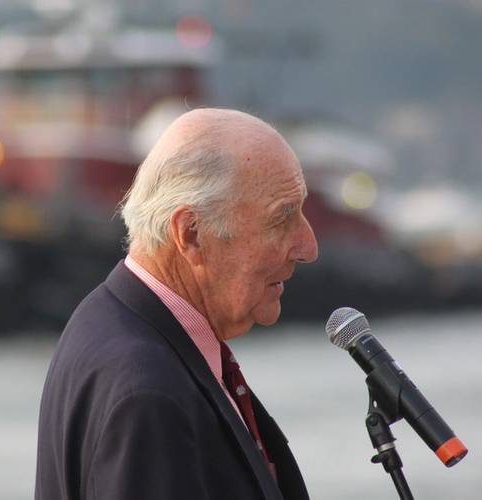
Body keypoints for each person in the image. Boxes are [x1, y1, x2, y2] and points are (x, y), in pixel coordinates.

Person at [35, 108, 318, 500]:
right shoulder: (147, 395)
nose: (308, 248)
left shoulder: (110, 325)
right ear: (191, 234)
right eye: (281, 219)